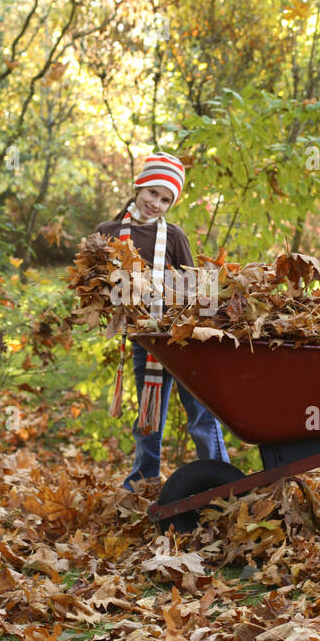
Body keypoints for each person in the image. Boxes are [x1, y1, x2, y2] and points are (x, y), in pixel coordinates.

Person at [95, 152, 230, 491]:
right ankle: (144, 478)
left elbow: (196, 287)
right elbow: (95, 286)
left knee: (200, 413)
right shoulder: (108, 233)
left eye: (166, 199)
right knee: (148, 418)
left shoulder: (173, 237)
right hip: (147, 342)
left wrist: (204, 312)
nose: (156, 203)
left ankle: (219, 477)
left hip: (182, 341)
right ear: (139, 185)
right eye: (153, 193)